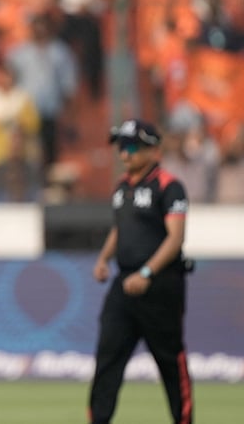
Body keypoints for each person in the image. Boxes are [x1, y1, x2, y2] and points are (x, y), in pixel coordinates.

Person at [89, 119, 193, 424]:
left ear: (153, 149)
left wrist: (147, 273)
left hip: (160, 285)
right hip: (125, 284)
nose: (125, 154)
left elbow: (176, 238)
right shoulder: (121, 188)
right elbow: (121, 229)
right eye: (121, 147)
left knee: (170, 361)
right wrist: (103, 259)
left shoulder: (169, 186)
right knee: (108, 357)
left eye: (132, 147)